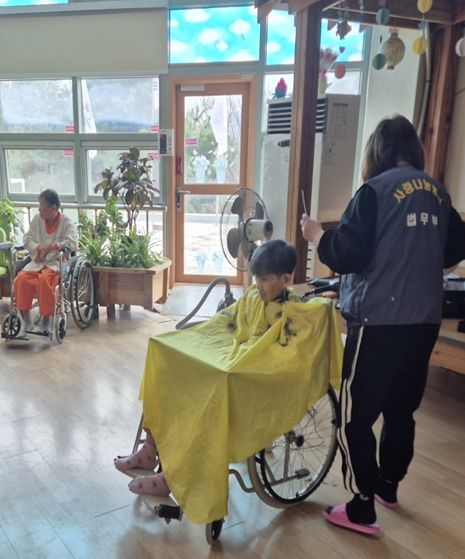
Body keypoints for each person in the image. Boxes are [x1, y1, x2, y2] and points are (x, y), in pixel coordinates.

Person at [301, 115, 465, 535]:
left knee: (355, 416)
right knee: (401, 410)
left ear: (377, 151)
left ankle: (361, 506)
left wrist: (317, 234)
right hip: (424, 321)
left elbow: (347, 255)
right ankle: (388, 486)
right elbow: (454, 250)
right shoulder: (439, 193)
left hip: (377, 321)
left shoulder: (373, 191)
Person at [114, 239, 343, 524]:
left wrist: (323, 305)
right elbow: (224, 326)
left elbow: (293, 355)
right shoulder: (251, 298)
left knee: (217, 385)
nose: (258, 285)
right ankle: (151, 448)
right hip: (238, 357)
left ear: (286, 279)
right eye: (256, 278)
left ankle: (174, 477)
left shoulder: (296, 314)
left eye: (265, 279)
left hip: (264, 376)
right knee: (167, 352)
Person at [14, 189, 77, 336]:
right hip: (37, 262)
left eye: (42, 205)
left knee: (44, 281)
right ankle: (28, 323)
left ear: (53, 208)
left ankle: (46, 322)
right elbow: (27, 239)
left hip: (55, 263)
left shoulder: (66, 222)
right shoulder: (37, 219)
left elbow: (73, 242)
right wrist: (37, 247)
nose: (39, 208)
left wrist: (57, 245)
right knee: (21, 279)